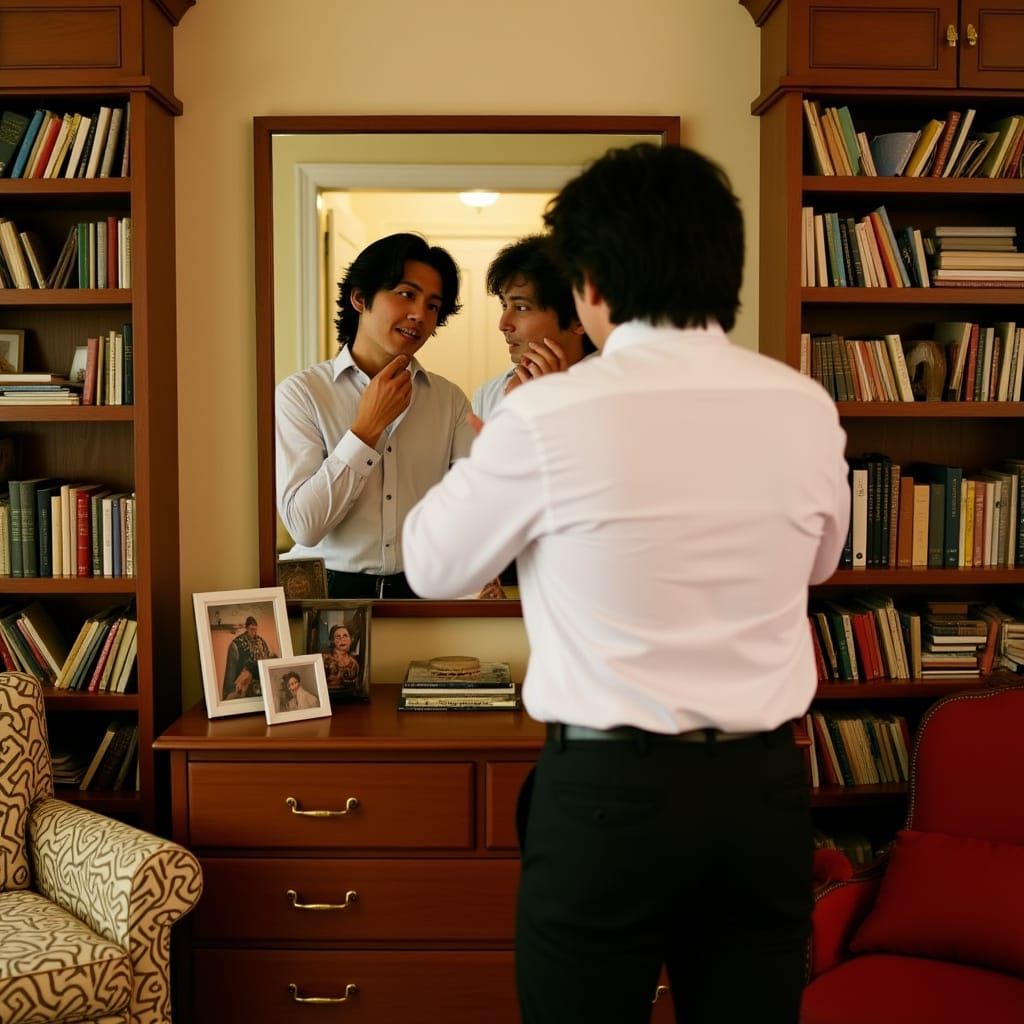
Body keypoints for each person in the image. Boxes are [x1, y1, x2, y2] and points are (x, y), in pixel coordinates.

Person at [402, 143, 850, 1024]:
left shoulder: (544, 413)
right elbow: (820, 562)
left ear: (591, 283)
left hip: (610, 800)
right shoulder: (803, 405)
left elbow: (432, 565)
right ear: (726, 271)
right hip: (761, 797)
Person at [276, 232, 476, 599]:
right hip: (325, 598)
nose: (420, 315)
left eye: (433, 305)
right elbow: (304, 526)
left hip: (422, 599)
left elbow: (476, 512)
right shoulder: (301, 394)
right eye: (406, 294)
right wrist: (365, 430)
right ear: (359, 298)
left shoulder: (450, 400)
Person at [471, 234, 594, 422]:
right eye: (504, 305)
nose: (503, 325)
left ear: (578, 320)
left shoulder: (609, 388)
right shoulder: (488, 394)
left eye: (521, 308)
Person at [222, 616, 274, 700]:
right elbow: (231, 674)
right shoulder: (236, 644)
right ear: (246, 628)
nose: (254, 632)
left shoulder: (262, 642)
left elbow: (266, 662)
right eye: (251, 629)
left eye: (255, 629)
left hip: (261, 683)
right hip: (244, 684)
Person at [322, 622, 360, 695]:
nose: (342, 639)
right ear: (332, 640)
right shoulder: (324, 659)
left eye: (345, 636)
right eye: (337, 637)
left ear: (351, 639)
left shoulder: (354, 664)